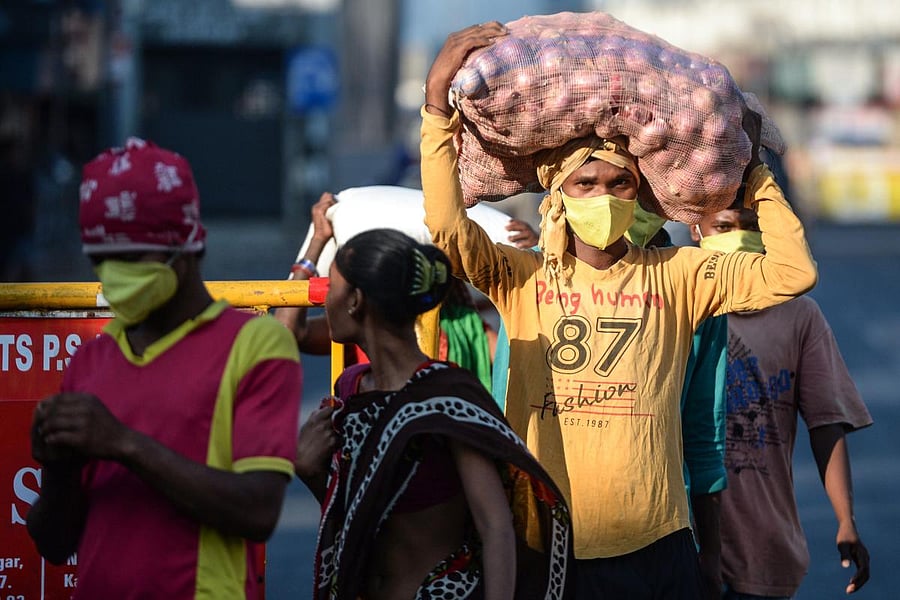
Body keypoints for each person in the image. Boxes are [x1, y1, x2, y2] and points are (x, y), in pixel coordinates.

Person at [421, 23, 817, 599]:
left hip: (657, 541)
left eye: (620, 183)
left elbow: (793, 272)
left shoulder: (681, 275)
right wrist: (436, 108)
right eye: (586, 183)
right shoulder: (522, 276)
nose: (605, 196)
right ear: (556, 193)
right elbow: (448, 230)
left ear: (640, 192)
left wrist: (752, 171)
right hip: (550, 540)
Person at [26, 137, 303, 599]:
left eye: (130, 257)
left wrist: (123, 444)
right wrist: (56, 469)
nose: (114, 275)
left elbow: (257, 510)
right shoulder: (92, 358)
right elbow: (55, 543)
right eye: (101, 261)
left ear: (187, 245)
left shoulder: (254, 344)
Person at [292, 228, 575, 600]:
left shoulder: (445, 395)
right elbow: (359, 516)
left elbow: (495, 525)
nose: (323, 301)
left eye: (331, 289)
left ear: (355, 300)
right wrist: (310, 471)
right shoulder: (350, 391)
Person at [690, 207, 872, 598]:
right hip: (683, 544)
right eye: (723, 226)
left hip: (763, 545)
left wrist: (846, 519)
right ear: (695, 229)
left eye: (751, 226)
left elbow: (826, 422)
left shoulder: (799, 315)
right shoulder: (678, 302)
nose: (738, 237)